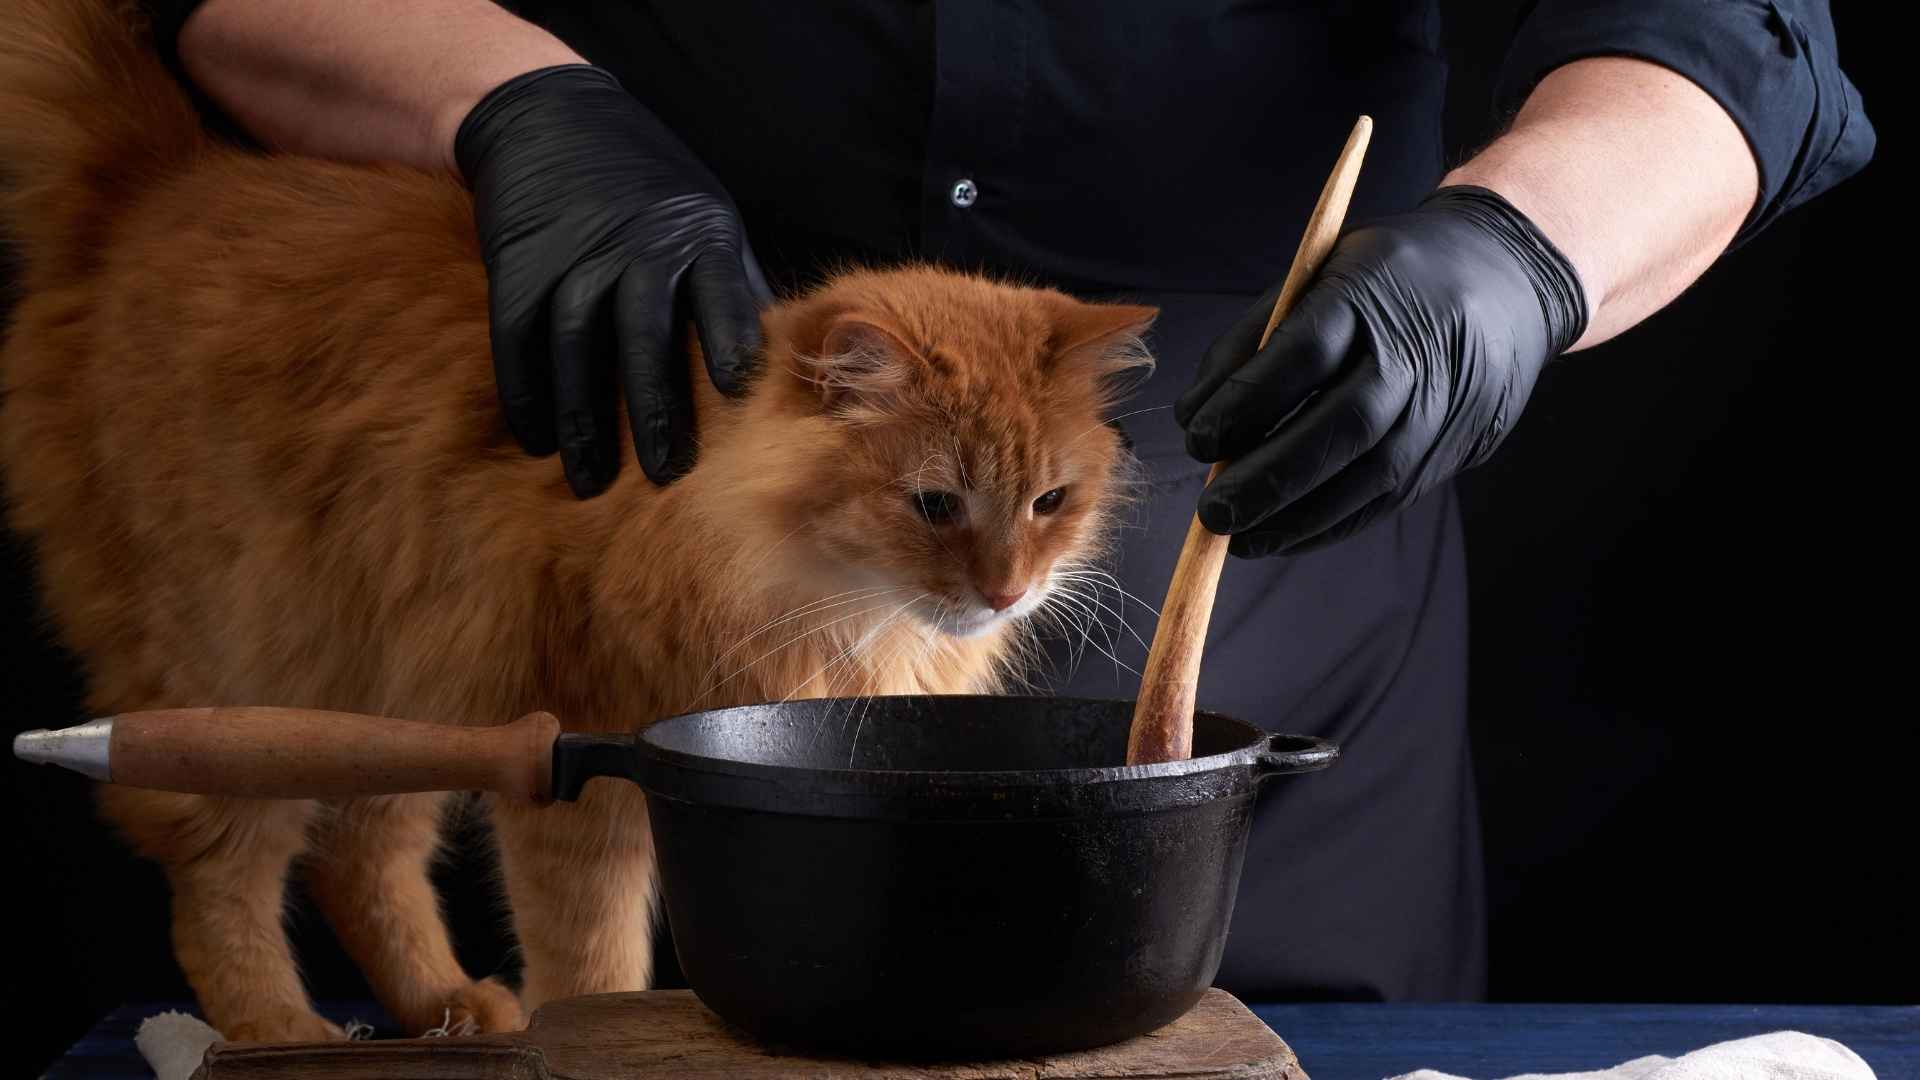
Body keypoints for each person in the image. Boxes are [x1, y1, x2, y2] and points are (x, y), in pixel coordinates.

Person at [141, 0, 1871, 1000]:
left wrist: (1517, 255)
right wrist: (508, 98)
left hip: (1258, 696)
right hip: (641, 624)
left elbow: (1732, 39)